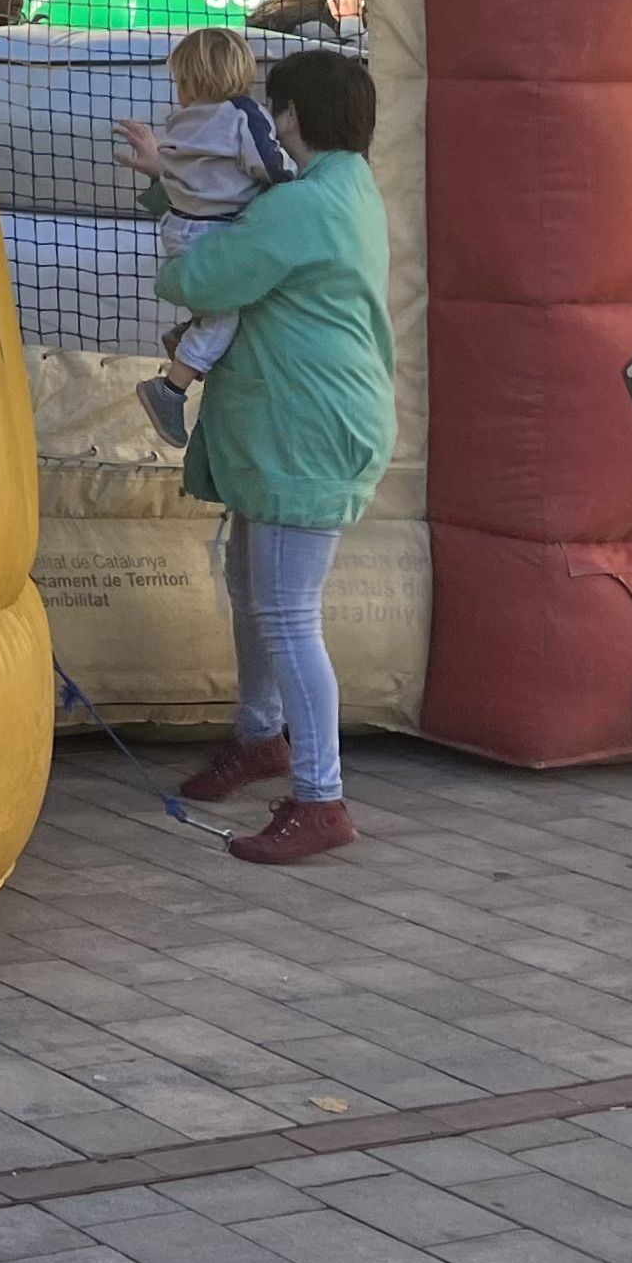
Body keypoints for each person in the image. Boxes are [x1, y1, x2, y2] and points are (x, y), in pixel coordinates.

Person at [151, 49, 395, 867]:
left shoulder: (298, 208)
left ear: (290, 117)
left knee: (288, 616)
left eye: (274, 108)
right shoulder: (341, 189)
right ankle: (260, 741)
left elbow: (202, 279)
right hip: (293, 425)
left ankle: (321, 798)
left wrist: (176, 234)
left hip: (306, 430)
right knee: (253, 590)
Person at [111, 27, 294, 450]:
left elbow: (189, 174)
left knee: (221, 308)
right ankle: (170, 391)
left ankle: (189, 333)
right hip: (217, 232)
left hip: (179, 229)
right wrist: (301, 182)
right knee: (232, 313)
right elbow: (269, 164)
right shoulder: (244, 114)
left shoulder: (182, 121)